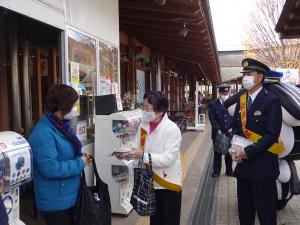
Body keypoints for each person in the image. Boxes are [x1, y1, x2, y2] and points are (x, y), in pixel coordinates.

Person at [117, 91, 182, 225]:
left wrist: (142, 156)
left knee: (169, 220)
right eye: (143, 106)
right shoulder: (144, 125)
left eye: (148, 108)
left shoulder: (171, 129)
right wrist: (127, 153)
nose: (144, 111)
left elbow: (168, 159)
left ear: (160, 111)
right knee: (155, 220)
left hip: (168, 184)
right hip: (150, 183)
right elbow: (139, 148)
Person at [28, 84, 90, 225]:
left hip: (68, 196)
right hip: (56, 203)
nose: (75, 110)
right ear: (62, 106)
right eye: (73, 106)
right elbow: (51, 168)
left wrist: (81, 158)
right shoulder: (43, 133)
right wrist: (80, 162)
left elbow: (65, 154)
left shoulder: (61, 126)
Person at [231, 58, 283, 225]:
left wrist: (248, 152)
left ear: (260, 77)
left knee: (266, 214)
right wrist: (235, 150)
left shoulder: (272, 100)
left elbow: (271, 135)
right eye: (244, 74)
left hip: (264, 169)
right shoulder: (241, 100)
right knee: (245, 214)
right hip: (244, 169)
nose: (245, 77)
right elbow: (236, 128)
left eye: (249, 74)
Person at [208, 84, 233, 177]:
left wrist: (233, 128)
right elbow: (212, 118)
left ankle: (229, 171)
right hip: (217, 132)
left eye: (226, 92)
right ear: (219, 93)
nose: (225, 94)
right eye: (223, 93)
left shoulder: (232, 103)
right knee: (217, 152)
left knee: (229, 153)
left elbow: (235, 116)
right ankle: (216, 171)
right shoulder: (213, 104)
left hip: (229, 132)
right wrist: (217, 129)